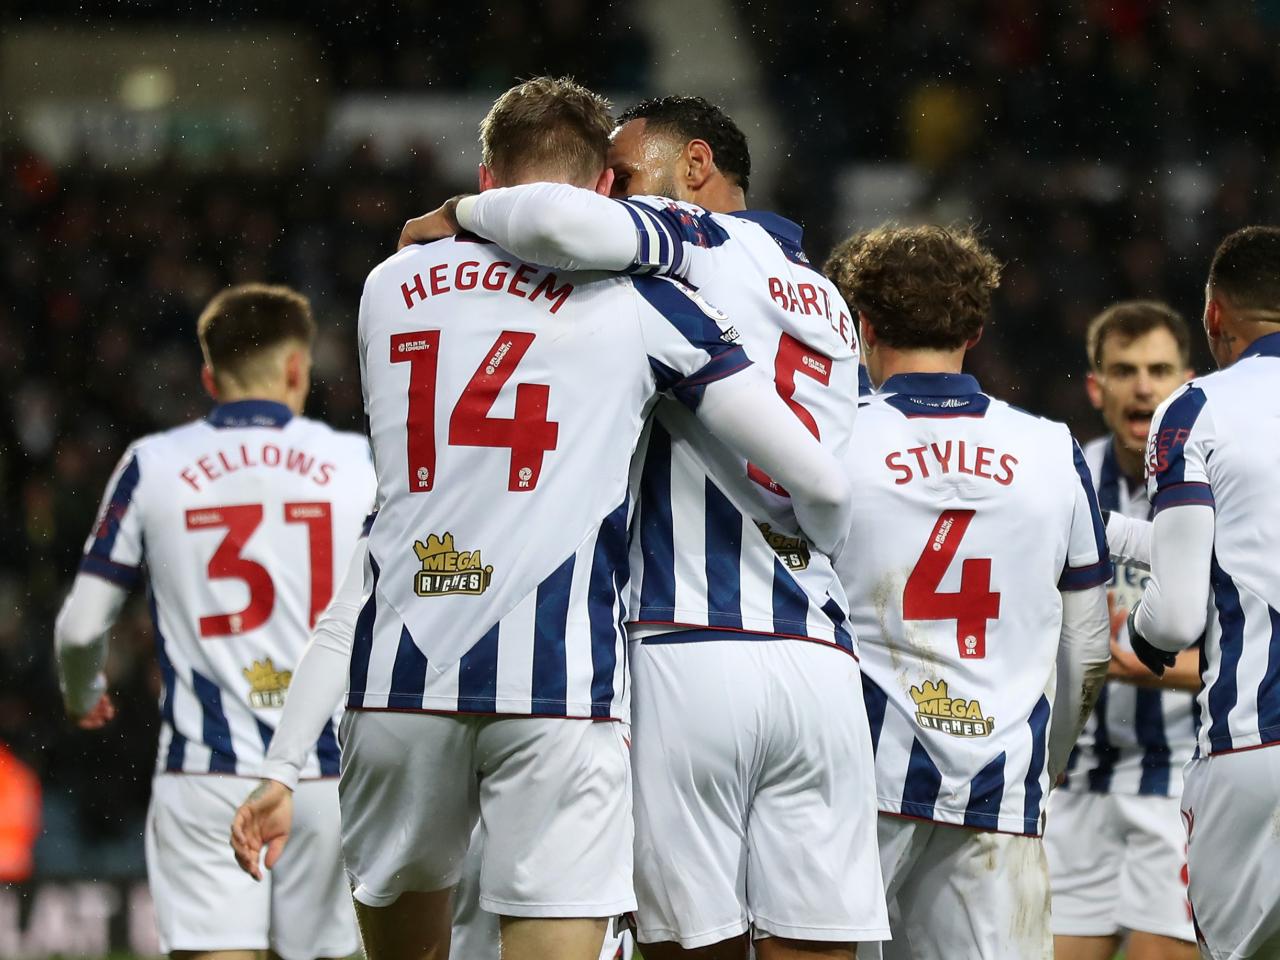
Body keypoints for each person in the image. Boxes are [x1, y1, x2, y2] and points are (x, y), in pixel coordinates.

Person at [332, 77, 855, 960]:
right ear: (606, 189)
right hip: (561, 683)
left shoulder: (391, 281)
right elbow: (819, 478)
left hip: (399, 672)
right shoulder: (644, 299)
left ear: (488, 177)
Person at [54, 283, 374, 960]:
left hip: (206, 771)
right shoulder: (359, 464)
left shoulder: (154, 464)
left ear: (208, 376)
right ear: (297, 368)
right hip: (332, 777)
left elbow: (81, 627)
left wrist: (83, 694)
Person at [824, 225, 1112, 960]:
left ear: (865, 326)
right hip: (1000, 777)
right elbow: (1086, 643)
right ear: (976, 329)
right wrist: (1045, 760)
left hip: (858, 777)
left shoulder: (829, 439)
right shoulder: (1052, 449)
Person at [1128, 225, 1280, 959]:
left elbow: (1179, 613)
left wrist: (1142, 636)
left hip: (1255, 743)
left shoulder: (1198, 409)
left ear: (1214, 317)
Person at [1044, 301, 1199, 960]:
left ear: (1186, 383)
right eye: (1125, 369)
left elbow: (1249, 650)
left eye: (1159, 369)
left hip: (1179, 790)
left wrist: (1140, 661)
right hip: (1075, 787)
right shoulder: (1062, 478)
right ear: (1095, 386)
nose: (1143, 385)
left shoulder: (1223, 486)